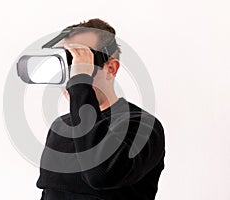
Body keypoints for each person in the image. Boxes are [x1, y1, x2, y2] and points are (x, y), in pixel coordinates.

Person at [36, 18, 165, 200]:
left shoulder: (143, 126)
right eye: (67, 63)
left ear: (110, 68)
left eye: (81, 61)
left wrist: (81, 86)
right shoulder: (60, 126)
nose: (73, 73)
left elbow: (101, 174)